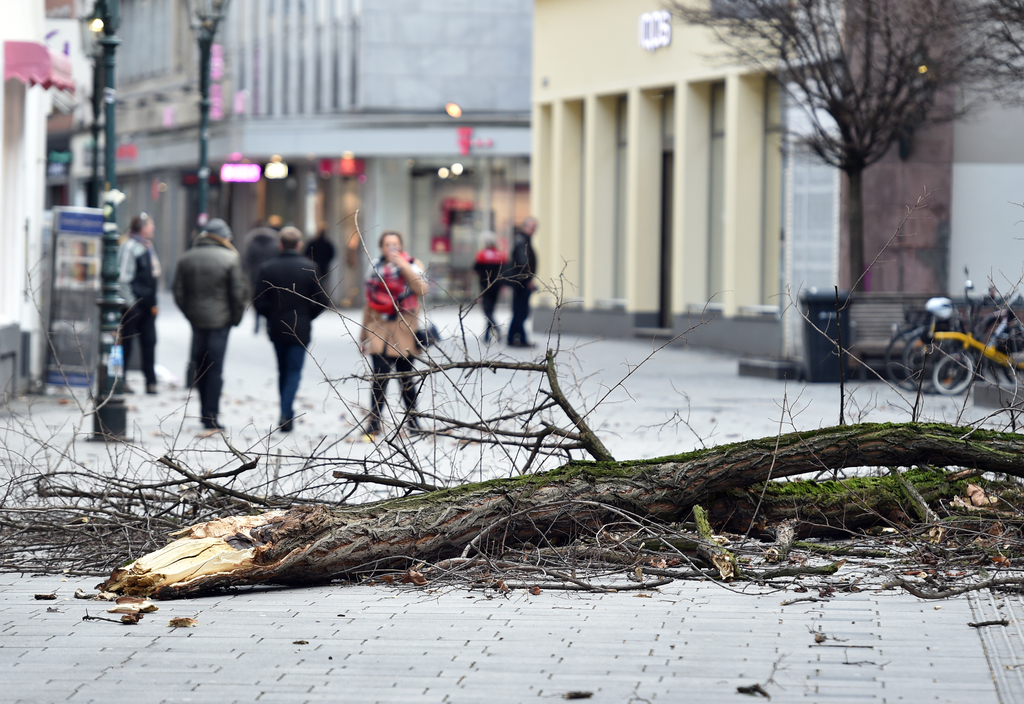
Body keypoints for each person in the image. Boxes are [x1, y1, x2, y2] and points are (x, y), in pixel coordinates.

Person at [172, 218, 248, 431]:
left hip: (197, 320)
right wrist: (235, 318)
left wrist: (190, 313)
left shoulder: (187, 258)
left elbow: (178, 291)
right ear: (223, 237)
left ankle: (203, 411)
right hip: (220, 322)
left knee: (201, 366)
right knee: (215, 368)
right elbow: (237, 293)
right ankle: (210, 414)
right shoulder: (230, 258)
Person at [254, 227, 330, 432]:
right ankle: (286, 412)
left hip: (277, 327)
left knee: (283, 370)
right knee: (294, 371)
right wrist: (308, 316)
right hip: (301, 327)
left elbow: (259, 302)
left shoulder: (268, 268)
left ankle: (285, 410)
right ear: (298, 245)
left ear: (280, 244)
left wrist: (271, 316)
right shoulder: (310, 267)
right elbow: (323, 301)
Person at [360, 231, 429, 440]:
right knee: (379, 378)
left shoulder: (413, 264)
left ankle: (413, 422)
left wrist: (404, 267)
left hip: (404, 328)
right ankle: (374, 423)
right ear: (381, 247)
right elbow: (368, 303)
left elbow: (422, 289)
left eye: (395, 244)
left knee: (406, 378)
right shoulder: (375, 269)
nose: (391, 248)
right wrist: (362, 334)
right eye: (387, 244)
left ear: (401, 246)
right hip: (379, 326)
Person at [117, 213, 161, 394]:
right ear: (142, 228)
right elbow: (123, 278)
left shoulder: (147, 246)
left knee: (149, 342)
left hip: (147, 304)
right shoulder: (129, 247)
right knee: (126, 343)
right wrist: (131, 304)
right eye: (151, 224)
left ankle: (150, 381)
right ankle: (122, 379)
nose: (153, 228)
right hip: (134, 305)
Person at [243, 219, 281, 332]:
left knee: (257, 297)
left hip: (255, 274)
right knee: (271, 296)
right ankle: (269, 321)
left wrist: (244, 271)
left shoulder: (252, 243)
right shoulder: (274, 243)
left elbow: (247, 260)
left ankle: (257, 320)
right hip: (271, 274)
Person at [506, 217, 538, 348]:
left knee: (520, 311)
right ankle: (516, 338)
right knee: (521, 311)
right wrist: (528, 279)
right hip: (521, 282)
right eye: (530, 227)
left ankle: (516, 337)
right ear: (524, 227)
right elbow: (523, 262)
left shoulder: (524, 240)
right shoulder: (522, 241)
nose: (533, 230)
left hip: (521, 281)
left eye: (534, 228)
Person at [473, 232, 507, 343]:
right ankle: (488, 335)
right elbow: (504, 271)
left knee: (487, 310)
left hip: (484, 286)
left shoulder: (481, 254)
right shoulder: (500, 255)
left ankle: (496, 329)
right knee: (491, 309)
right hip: (497, 285)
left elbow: (476, 269)